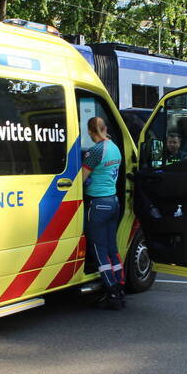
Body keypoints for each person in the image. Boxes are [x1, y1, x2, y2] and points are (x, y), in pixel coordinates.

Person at [81, 117, 125, 310]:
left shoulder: (95, 151)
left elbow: (81, 179)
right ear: (105, 128)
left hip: (98, 204)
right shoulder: (114, 147)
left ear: (90, 132)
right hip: (113, 202)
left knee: (99, 251)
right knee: (112, 248)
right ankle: (120, 287)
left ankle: (112, 293)